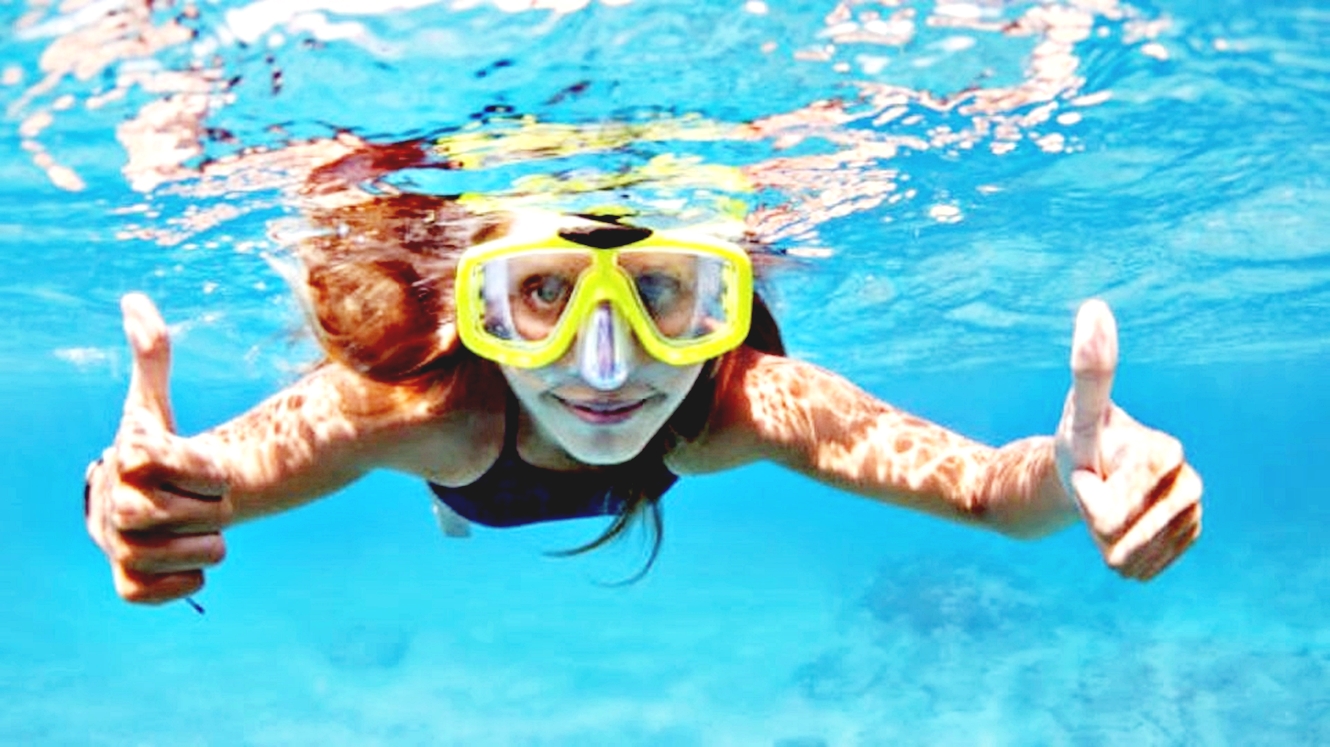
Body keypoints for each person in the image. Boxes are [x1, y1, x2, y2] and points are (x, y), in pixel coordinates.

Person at [83, 181, 1203, 606]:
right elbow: (187, 484)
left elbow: (987, 493)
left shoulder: (744, 403)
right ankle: (451, 508)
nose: (606, 368)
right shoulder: (411, 411)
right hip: (469, 473)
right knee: (452, 491)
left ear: (727, 299)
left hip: (572, 466)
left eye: (664, 291)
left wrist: (1073, 477)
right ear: (474, 305)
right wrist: (123, 503)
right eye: (543, 296)